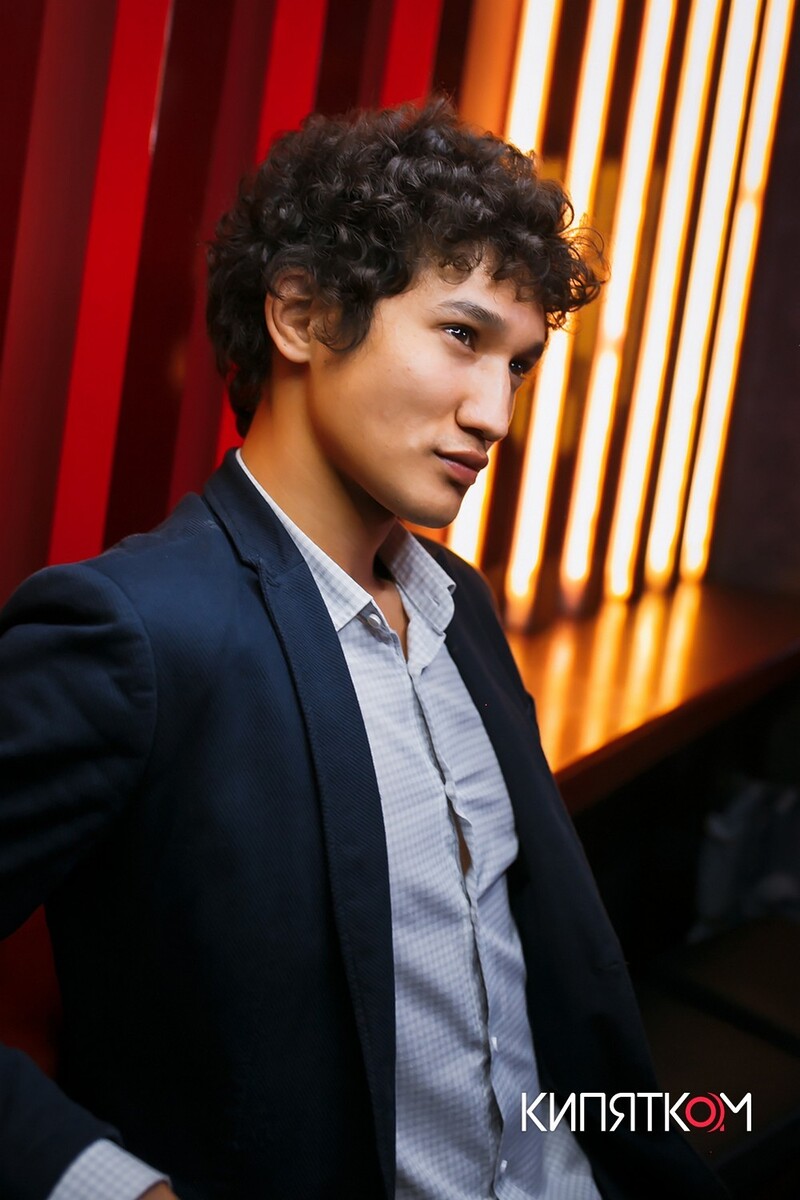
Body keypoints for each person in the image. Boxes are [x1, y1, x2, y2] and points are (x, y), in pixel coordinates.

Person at [0, 99, 725, 1200]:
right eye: (462, 335)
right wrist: (113, 1188)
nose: (494, 414)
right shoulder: (130, 633)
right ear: (300, 314)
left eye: (519, 365)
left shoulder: (458, 605)